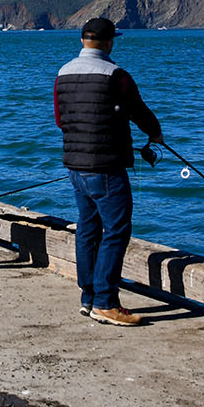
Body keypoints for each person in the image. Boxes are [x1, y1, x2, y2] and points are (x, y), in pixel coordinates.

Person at [54, 17, 162, 327]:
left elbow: (60, 120)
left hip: (75, 165)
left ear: (82, 41)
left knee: (88, 228)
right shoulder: (116, 75)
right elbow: (138, 111)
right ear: (109, 42)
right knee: (116, 230)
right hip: (106, 166)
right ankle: (106, 302)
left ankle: (88, 297)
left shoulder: (62, 73)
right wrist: (155, 133)